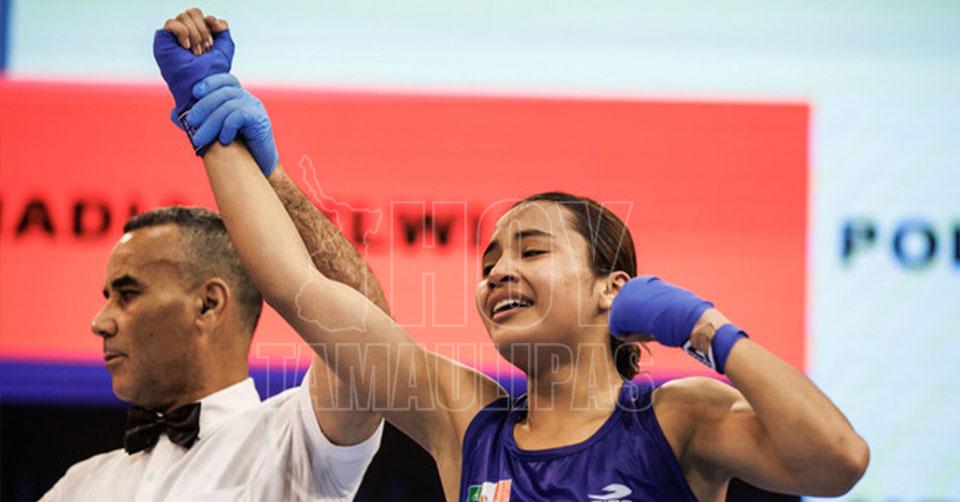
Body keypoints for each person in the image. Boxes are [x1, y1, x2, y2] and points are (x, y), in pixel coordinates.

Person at [164, 9, 870, 501]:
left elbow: (837, 461)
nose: (499, 271)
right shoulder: (465, 418)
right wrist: (215, 126)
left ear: (611, 288)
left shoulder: (678, 417)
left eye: (531, 250)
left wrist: (706, 329)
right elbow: (298, 286)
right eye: (488, 263)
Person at [41, 11, 393, 501]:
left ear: (209, 304)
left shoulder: (294, 445)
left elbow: (370, 339)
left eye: (127, 295)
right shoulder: (78, 486)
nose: (100, 323)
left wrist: (270, 177)